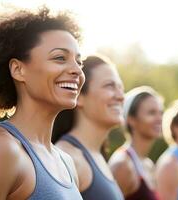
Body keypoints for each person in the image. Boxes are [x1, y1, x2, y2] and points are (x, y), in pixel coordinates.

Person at [0, 5, 85, 200]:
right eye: (59, 58)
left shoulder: (67, 163)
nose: (77, 71)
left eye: (79, 62)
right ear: (18, 69)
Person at [52, 55, 125, 200]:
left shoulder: (97, 156)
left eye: (120, 87)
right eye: (109, 86)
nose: (120, 96)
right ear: (78, 96)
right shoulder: (69, 158)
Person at [109, 86, 163, 200]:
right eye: (151, 113)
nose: (159, 118)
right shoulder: (122, 164)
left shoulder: (149, 164)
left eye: (160, 112)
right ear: (131, 120)